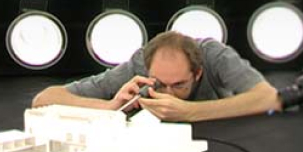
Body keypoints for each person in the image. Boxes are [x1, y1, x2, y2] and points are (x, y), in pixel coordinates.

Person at [31, 31, 281, 122]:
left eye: (179, 85)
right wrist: (109, 106)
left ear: (198, 73)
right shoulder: (139, 63)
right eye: (160, 85)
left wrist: (189, 112)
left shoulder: (214, 56)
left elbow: (268, 97)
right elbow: (45, 98)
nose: (168, 95)